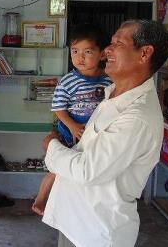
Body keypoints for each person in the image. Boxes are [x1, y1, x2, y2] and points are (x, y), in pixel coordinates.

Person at [41, 20, 168, 247]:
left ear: (144, 53)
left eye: (117, 43)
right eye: (110, 43)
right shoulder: (112, 92)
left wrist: (51, 144)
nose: (108, 49)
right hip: (74, 220)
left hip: (95, 232)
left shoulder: (137, 117)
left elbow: (87, 170)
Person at [32, 24, 111, 215]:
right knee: (58, 169)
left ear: (102, 54)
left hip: (95, 135)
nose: (80, 57)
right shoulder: (68, 81)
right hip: (70, 133)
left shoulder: (109, 80)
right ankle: (40, 199)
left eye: (88, 51)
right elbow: (58, 108)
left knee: (90, 170)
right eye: (75, 51)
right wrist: (73, 126)